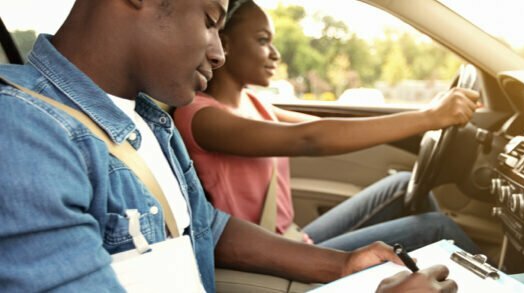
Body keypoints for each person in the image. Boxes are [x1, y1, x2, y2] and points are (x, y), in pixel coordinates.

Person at [0, 0, 451, 291]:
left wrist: (339, 266)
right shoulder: (24, 131)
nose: (219, 52)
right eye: (211, 21)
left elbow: (205, 226)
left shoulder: (151, 120)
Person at [174, 0, 480, 252]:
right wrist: (430, 116)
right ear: (224, 44)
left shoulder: (252, 102)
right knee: (437, 229)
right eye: (263, 41)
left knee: (401, 185)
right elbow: (310, 139)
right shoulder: (201, 117)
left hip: (291, 237)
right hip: (268, 253)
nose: (276, 55)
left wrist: (424, 119)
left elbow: (323, 127)